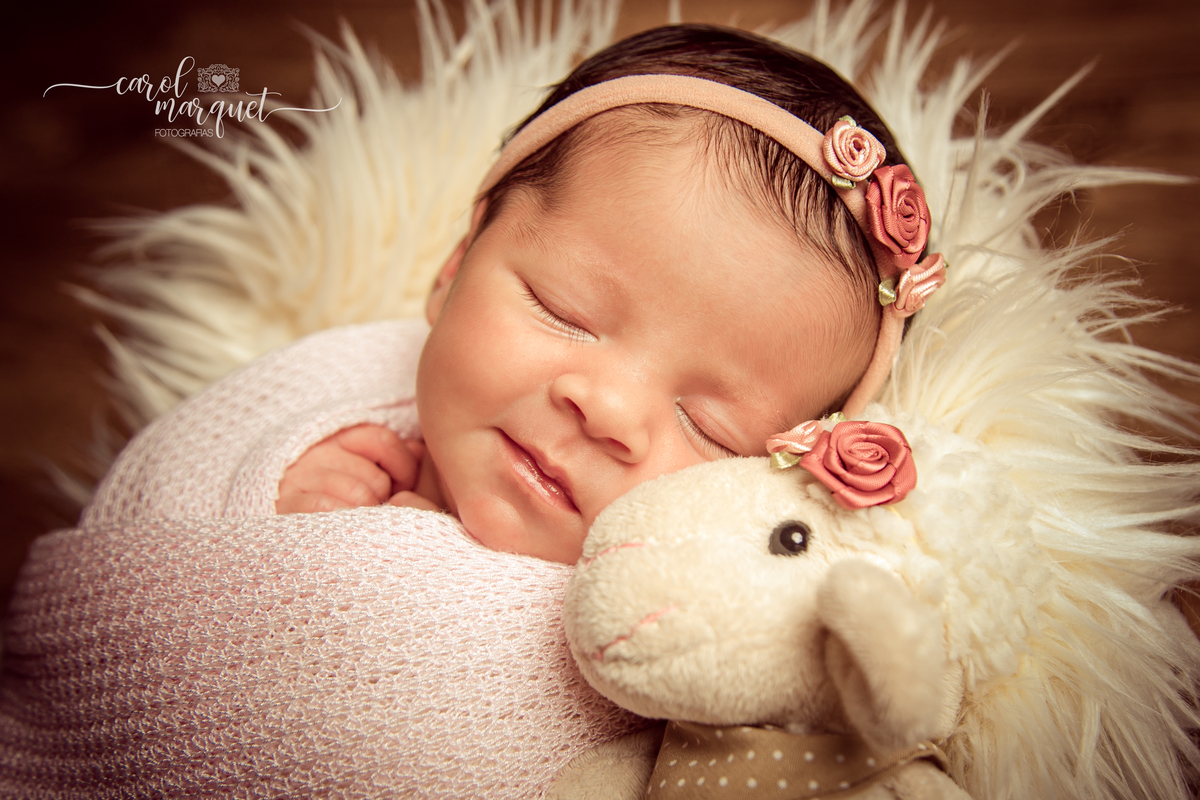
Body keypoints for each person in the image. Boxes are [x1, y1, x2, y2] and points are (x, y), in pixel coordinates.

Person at [274, 23, 944, 564]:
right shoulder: (331, 395)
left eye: (707, 427)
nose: (608, 413)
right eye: (561, 311)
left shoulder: (654, 627)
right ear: (456, 266)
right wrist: (281, 512)